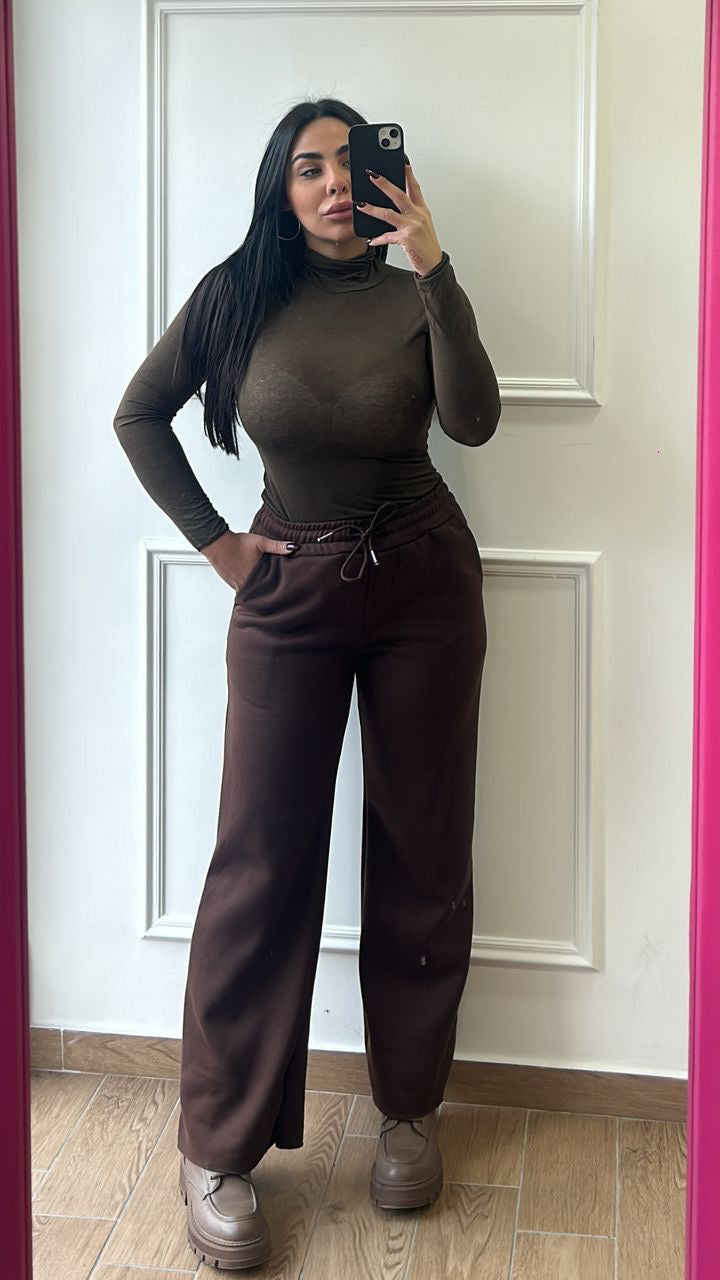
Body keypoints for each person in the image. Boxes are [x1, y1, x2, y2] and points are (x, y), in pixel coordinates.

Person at [113, 97, 501, 1271]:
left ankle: (409, 1111)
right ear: (281, 190)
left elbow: (474, 421)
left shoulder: (413, 287)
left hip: (425, 587)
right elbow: (139, 414)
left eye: (350, 163)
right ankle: (218, 1145)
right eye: (309, 167)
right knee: (260, 860)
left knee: (423, 844)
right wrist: (220, 544)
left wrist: (435, 266)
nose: (335, 183)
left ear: (385, 177)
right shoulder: (237, 294)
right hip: (289, 595)